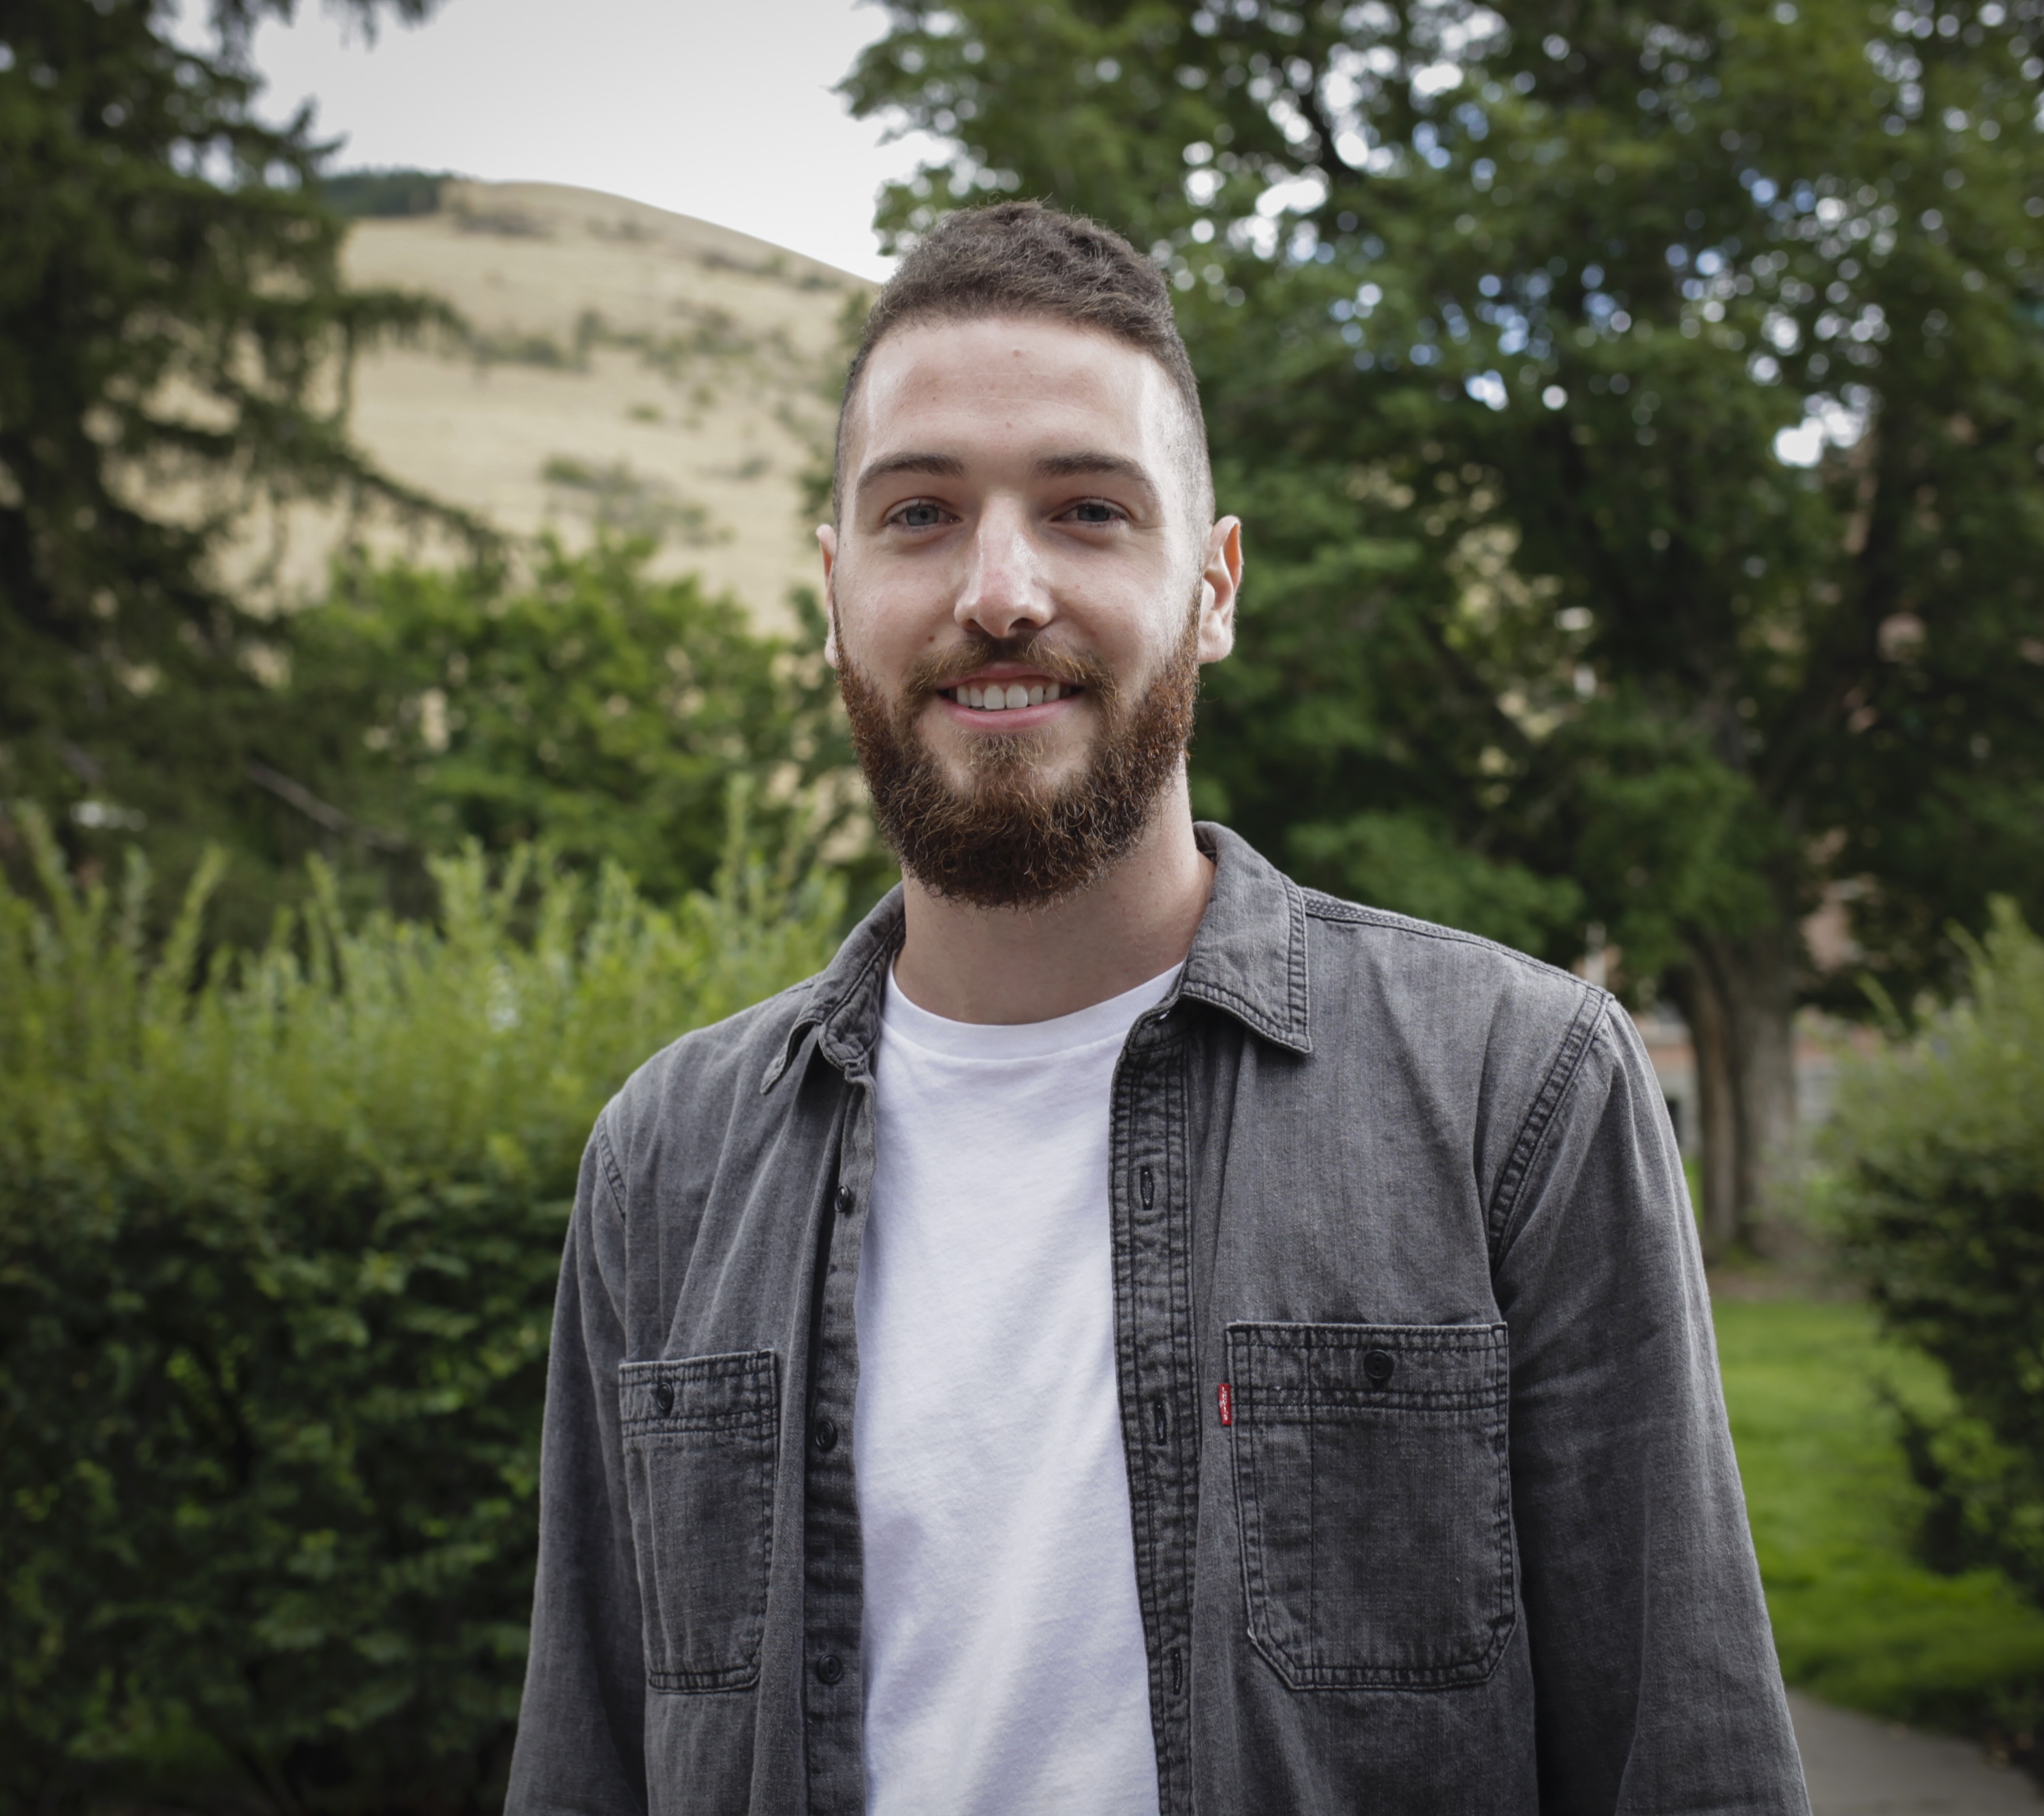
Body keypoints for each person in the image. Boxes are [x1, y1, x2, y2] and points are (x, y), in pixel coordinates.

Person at [505, 202, 1809, 1816]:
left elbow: (1686, 1769)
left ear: (1214, 582)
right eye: (921, 512)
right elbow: (584, 1762)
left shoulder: (1516, 1093)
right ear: (833, 590)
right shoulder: (666, 1162)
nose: (1000, 589)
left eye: (1088, 509)